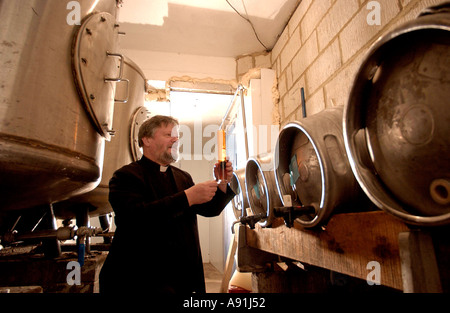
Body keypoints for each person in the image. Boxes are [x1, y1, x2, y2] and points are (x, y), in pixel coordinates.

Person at [99, 115, 235, 294]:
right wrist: (187, 197)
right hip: (140, 278)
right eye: (168, 134)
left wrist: (222, 183)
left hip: (181, 277)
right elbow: (133, 219)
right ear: (146, 140)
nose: (176, 138)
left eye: (177, 134)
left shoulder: (182, 177)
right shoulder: (125, 176)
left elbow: (210, 210)